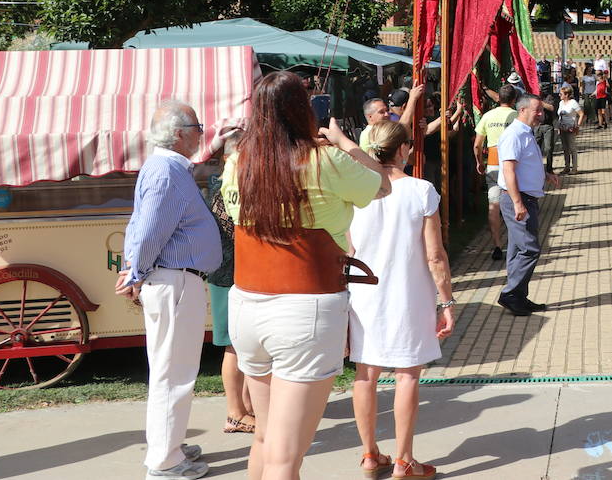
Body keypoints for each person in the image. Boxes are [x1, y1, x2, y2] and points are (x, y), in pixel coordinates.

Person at [221, 71, 391, 480]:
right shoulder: (324, 160)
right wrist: (342, 142)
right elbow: (382, 185)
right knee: (286, 456)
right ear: (303, 110)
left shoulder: (237, 161)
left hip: (248, 304)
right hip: (306, 308)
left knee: (266, 438)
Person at [116, 101, 223, 480]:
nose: (202, 132)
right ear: (180, 134)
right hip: (174, 280)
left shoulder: (166, 167)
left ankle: (170, 446)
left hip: (175, 279)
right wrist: (136, 271)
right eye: (198, 126)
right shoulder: (165, 171)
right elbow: (147, 231)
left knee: (173, 370)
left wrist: (135, 269)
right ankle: (164, 460)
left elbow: (142, 226)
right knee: (173, 373)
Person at [349, 122, 458, 479]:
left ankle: (369, 454)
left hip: (363, 292)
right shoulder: (420, 190)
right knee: (407, 375)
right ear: (400, 150)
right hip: (408, 293)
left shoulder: (354, 189)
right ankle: (404, 459)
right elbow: (436, 254)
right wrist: (446, 302)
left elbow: (347, 247)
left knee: (366, 374)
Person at [205, 127, 256, 438]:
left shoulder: (223, 181)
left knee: (245, 344)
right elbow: (237, 229)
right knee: (233, 345)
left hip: (234, 270)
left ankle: (248, 409)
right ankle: (235, 413)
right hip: (228, 273)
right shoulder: (224, 184)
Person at [498, 94, 559, 316]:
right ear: (523, 110)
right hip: (519, 199)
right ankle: (510, 294)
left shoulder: (525, 132)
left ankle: (518, 297)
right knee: (529, 249)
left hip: (526, 198)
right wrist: (517, 203)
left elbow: (526, 163)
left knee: (517, 250)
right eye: (537, 111)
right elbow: (508, 170)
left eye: (541, 110)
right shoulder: (514, 134)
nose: (541, 115)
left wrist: (545, 173)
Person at [474, 85, 518, 262]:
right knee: (515, 201)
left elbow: (477, 144)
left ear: (498, 98)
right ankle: (516, 242)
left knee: (494, 204)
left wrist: (479, 162)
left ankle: (497, 245)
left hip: (492, 162)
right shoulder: (516, 116)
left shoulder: (488, 116)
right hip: (512, 163)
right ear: (514, 100)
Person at [556, 84, 584, 175]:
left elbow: (581, 114)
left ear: (566, 95)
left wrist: (577, 126)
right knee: (565, 149)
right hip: (562, 128)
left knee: (572, 148)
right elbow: (559, 115)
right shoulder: (561, 103)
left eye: (561, 94)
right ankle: (566, 167)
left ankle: (574, 168)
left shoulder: (573, 103)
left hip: (571, 128)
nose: (559, 95)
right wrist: (559, 127)